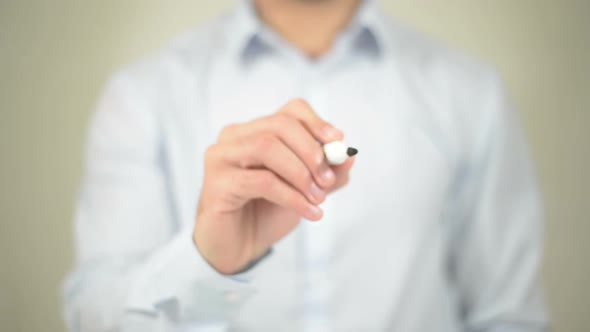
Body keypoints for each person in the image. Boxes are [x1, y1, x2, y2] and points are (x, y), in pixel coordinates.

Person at [63, 0, 548, 331]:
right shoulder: (143, 96)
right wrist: (209, 264)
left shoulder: (471, 94)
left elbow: (507, 317)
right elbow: (95, 318)